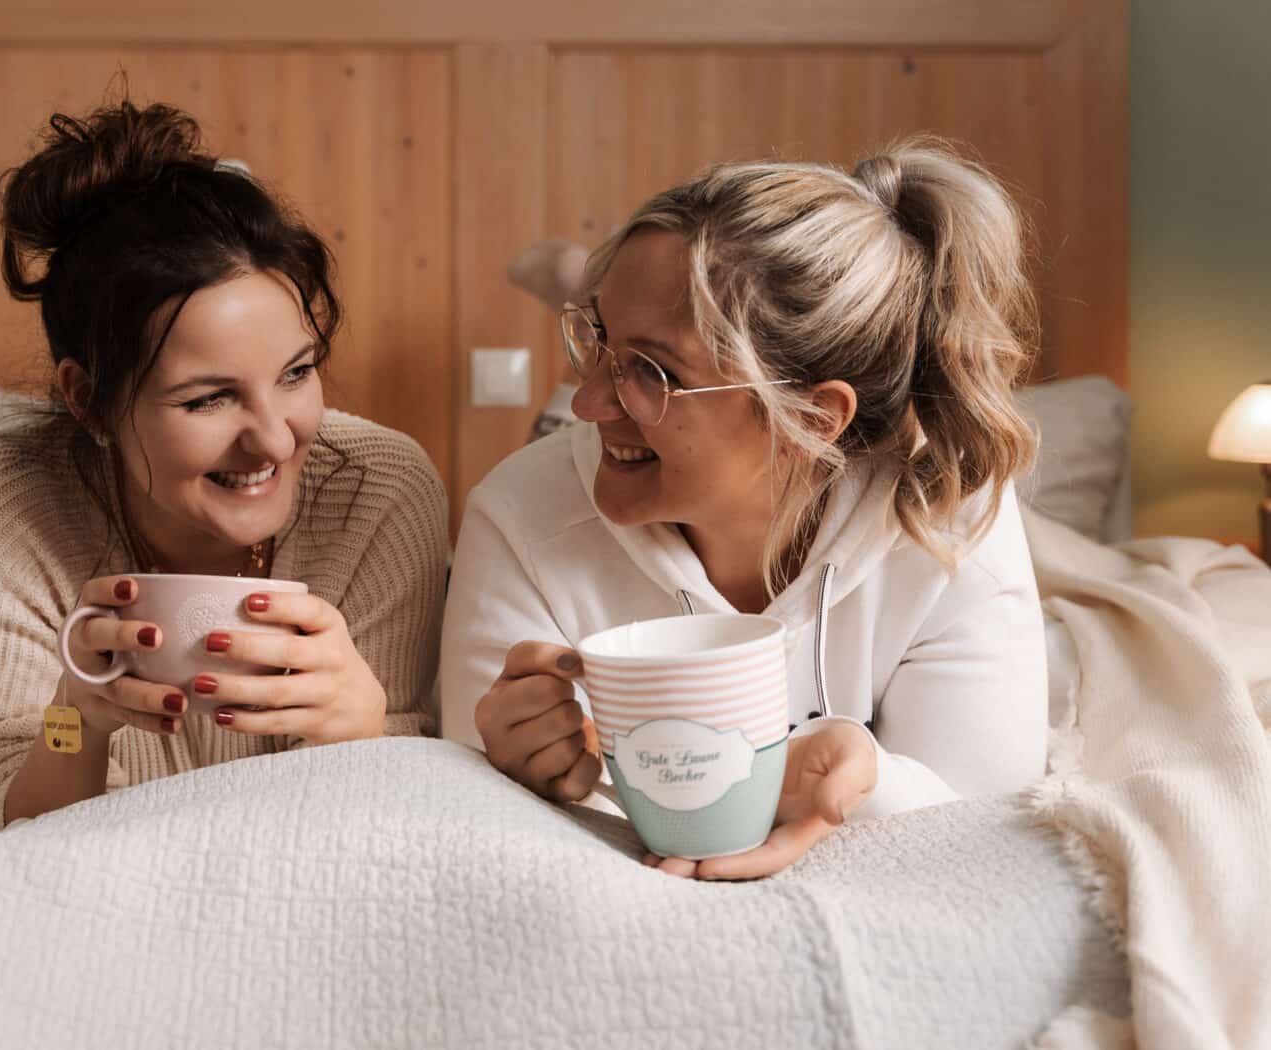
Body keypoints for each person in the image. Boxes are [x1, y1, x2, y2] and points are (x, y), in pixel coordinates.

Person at [440, 138, 1048, 879]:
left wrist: (868, 784)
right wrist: (513, 773)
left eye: (654, 371)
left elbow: (986, 831)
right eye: (596, 339)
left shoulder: (950, 511)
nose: (590, 400)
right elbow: (479, 836)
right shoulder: (517, 514)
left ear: (813, 419)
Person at [0, 101, 449, 844]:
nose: (273, 439)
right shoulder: (11, 495)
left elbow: (395, 829)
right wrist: (74, 718)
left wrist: (366, 733)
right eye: (208, 399)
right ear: (88, 401)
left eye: (297, 373)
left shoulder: (378, 490)